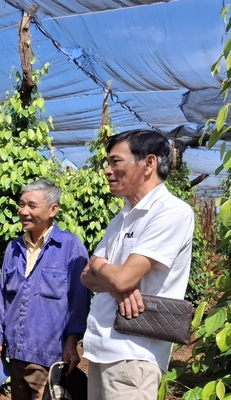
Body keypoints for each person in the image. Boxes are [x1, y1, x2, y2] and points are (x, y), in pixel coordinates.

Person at [81, 129, 194, 400]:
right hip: (100, 348)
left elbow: (120, 277)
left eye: (115, 162)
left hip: (134, 355)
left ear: (149, 163)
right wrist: (111, 278)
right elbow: (87, 276)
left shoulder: (171, 212)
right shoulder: (121, 219)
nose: (107, 171)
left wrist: (102, 267)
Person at [0, 179, 91, 400]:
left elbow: (78, 303)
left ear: (53, 209)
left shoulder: (70, 247)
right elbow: (3, 297)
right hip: (15, 355)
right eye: (21, 204)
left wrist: (72, 344)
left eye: (31, 206)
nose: (23, 211)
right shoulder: (14, 248)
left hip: (49, 358)